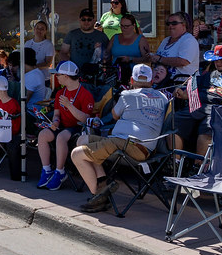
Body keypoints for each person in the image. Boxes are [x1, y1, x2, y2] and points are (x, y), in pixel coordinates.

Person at [70, 64, 169, 213]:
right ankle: (103, 184)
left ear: (131, 80)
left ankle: (97, 196)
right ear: (151, 81)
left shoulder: (127, 95)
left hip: (127, 146)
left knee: (76, 154)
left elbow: (115, 115)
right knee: (82, 140)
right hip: (142, 147)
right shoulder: (162, 97)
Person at [37, 61, 95, 190]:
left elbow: (86, 119)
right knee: (43, 134)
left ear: (66, 76)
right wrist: (55, 122)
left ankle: (60, 171)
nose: (56, 77)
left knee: (61, 136)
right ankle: (46, 170)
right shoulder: (60, 93)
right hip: (63, 126)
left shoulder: (85, 94)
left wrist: (69, 106)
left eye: (58, 75)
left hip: (78, 128)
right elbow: (57, 114)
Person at [152, 12, 200, 80]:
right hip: (164, 83)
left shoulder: (189, 40)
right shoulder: (166, 40)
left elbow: (183, 61)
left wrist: (160, 59)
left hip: (182, 84)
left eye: (174, 23)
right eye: (168, 24)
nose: (170, 26)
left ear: (183, 25)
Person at [106, 13, 150, 83]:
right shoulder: (115, 37)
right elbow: (107, 55)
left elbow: (147, 59)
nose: (123, 28)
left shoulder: (141, 39)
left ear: (133, 26)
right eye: (122, 26)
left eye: (126, 26)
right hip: (115, 76)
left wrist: (130, 59)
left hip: (135, 77)